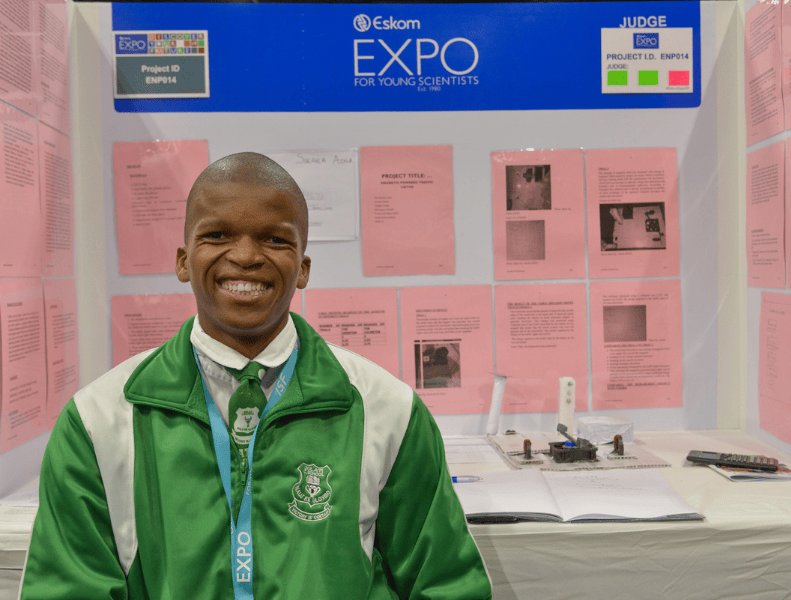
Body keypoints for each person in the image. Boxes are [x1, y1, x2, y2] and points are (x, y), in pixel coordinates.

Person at [20, 153, 492, 599]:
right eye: (218, 235)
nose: (245, 256)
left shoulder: (389, 410)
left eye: (274, 239)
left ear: (303, 267)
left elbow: (446, 585)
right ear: (184, 260)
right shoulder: (98, 420)